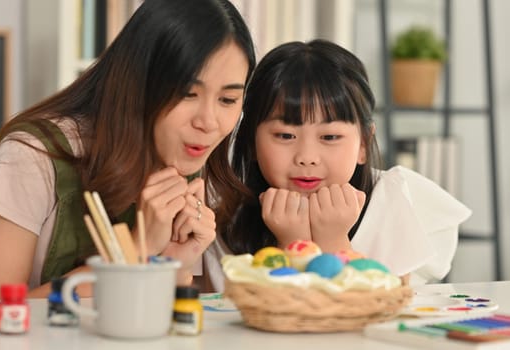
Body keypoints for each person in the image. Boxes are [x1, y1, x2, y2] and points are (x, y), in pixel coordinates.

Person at [0, 0, 256, 299]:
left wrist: (174, 262)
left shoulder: (188, 157)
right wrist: (138, 250)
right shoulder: (32, 155)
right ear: (138, 81)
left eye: (228, 100)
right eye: (187, 94)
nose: (208, 122)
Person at [198, 39, 471, 291]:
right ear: (251, 142)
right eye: (285, 136)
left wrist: (332, 240)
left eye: (329, 137)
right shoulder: (224, 216)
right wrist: (293, 243)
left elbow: (379, 309)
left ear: (363, 144)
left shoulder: (396, 200)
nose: (307, 156)